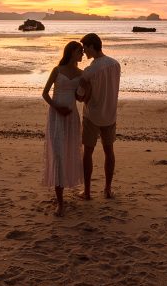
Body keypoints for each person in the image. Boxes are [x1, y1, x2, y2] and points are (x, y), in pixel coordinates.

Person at [41, 40, 85, 215]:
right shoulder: (57, 70)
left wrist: (86, 89)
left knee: (69, 152)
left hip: (72, 117)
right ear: (72, 52)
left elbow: (80, 99)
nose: (82, 54)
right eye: (80, 51)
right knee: (58, 154)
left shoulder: (81, 74)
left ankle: (65, 189)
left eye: (82, 51)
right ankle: (60, 202)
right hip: (57, 116)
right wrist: (57, 107)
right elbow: (44, 93)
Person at [78, 32, 120, 199]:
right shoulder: (115, 64)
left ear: (92, 47)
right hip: (110, 113)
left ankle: (87, 192)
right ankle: (107, 189)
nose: (84, 52)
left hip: (93, 114)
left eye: (85, 48)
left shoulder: (90, 70)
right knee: (109, 151)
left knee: (88, 152)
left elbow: (81, 95)